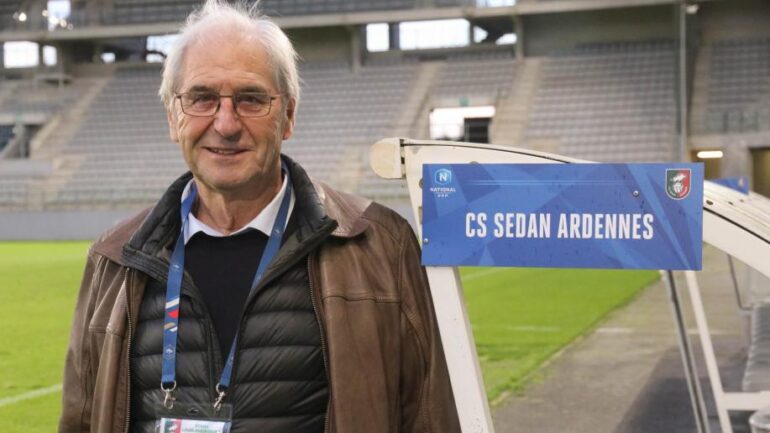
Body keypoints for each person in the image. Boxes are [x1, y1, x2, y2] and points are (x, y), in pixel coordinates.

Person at [58, 1, 461, 432]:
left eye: (251, 99)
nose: (226, 124)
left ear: (288, 116)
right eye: (202, 98)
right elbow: (82, 420)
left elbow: (428, 418)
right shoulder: (113, 261)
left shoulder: (382, 247)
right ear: (173, 117)